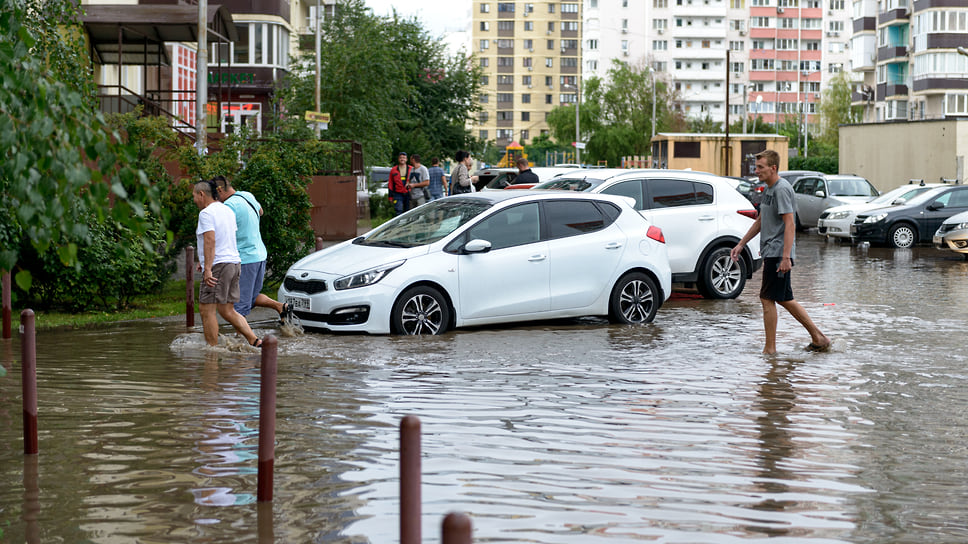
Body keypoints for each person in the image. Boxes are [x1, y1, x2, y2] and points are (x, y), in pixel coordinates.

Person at [730, 150, 831, 355]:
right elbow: (760, 220)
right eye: (756, 167)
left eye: (760, 167)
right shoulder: (768, 189)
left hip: (778, 253)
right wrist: (741, 244)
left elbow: (790, 223)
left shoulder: (782, 189)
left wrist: (786, 257)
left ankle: (770, 350)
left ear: (773, 168)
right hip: (771, 251)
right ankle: (818, 338)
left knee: (767, 298)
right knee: (783, 298)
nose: (756, 171)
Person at [193, 179, 262, 348]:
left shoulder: (206, 214)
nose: (194, 200)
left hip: (218, 265)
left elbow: (210, 240)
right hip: (234, 263)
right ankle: (255, 341)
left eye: (194, 196)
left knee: (206, 310)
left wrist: (208, 268)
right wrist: (204, 261)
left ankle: (213, 350)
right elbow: (226, 237)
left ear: (202, 194)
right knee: (227, 310)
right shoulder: (227, 210)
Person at [214, 175, 291, 323]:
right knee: (251, 297)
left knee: (239, 305)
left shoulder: (228, 206)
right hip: (260, 255)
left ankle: (241, 340)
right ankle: (281, 307)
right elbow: (261, 212)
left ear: (219, 190)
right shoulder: (247, 195)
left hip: (245, 258)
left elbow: (221, 234)